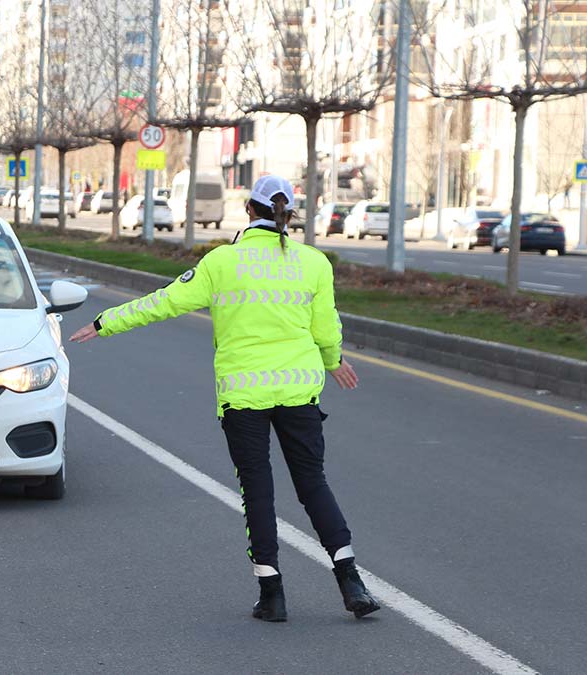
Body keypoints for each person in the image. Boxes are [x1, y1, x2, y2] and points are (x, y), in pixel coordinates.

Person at [69, 174, 379, 623]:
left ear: (248, 212)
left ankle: (272, 595)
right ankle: (351, 581)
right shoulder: (314, 263)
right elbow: (325, 329)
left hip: (244, 396)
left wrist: (104, 323)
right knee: (313, 483)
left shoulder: (222, 262)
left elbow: (164, 302)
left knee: (258, 489)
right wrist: (333, 361)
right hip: (299, 392)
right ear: (287, 216)